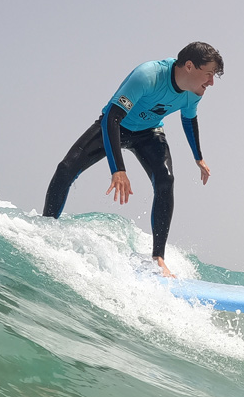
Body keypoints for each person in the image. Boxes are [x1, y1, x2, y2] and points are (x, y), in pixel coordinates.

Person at [42, 42, 224, 278]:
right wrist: (118, 169)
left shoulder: (194, 93)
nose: (211, 82)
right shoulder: (148, 75)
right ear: (189, 66)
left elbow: (189, 121)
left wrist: (198, 157)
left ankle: (158, 258)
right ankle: (44, 228)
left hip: (149, 133)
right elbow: (113, 117)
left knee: (165, 181)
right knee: (65, 168)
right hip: (116, 125)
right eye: (208, 74)